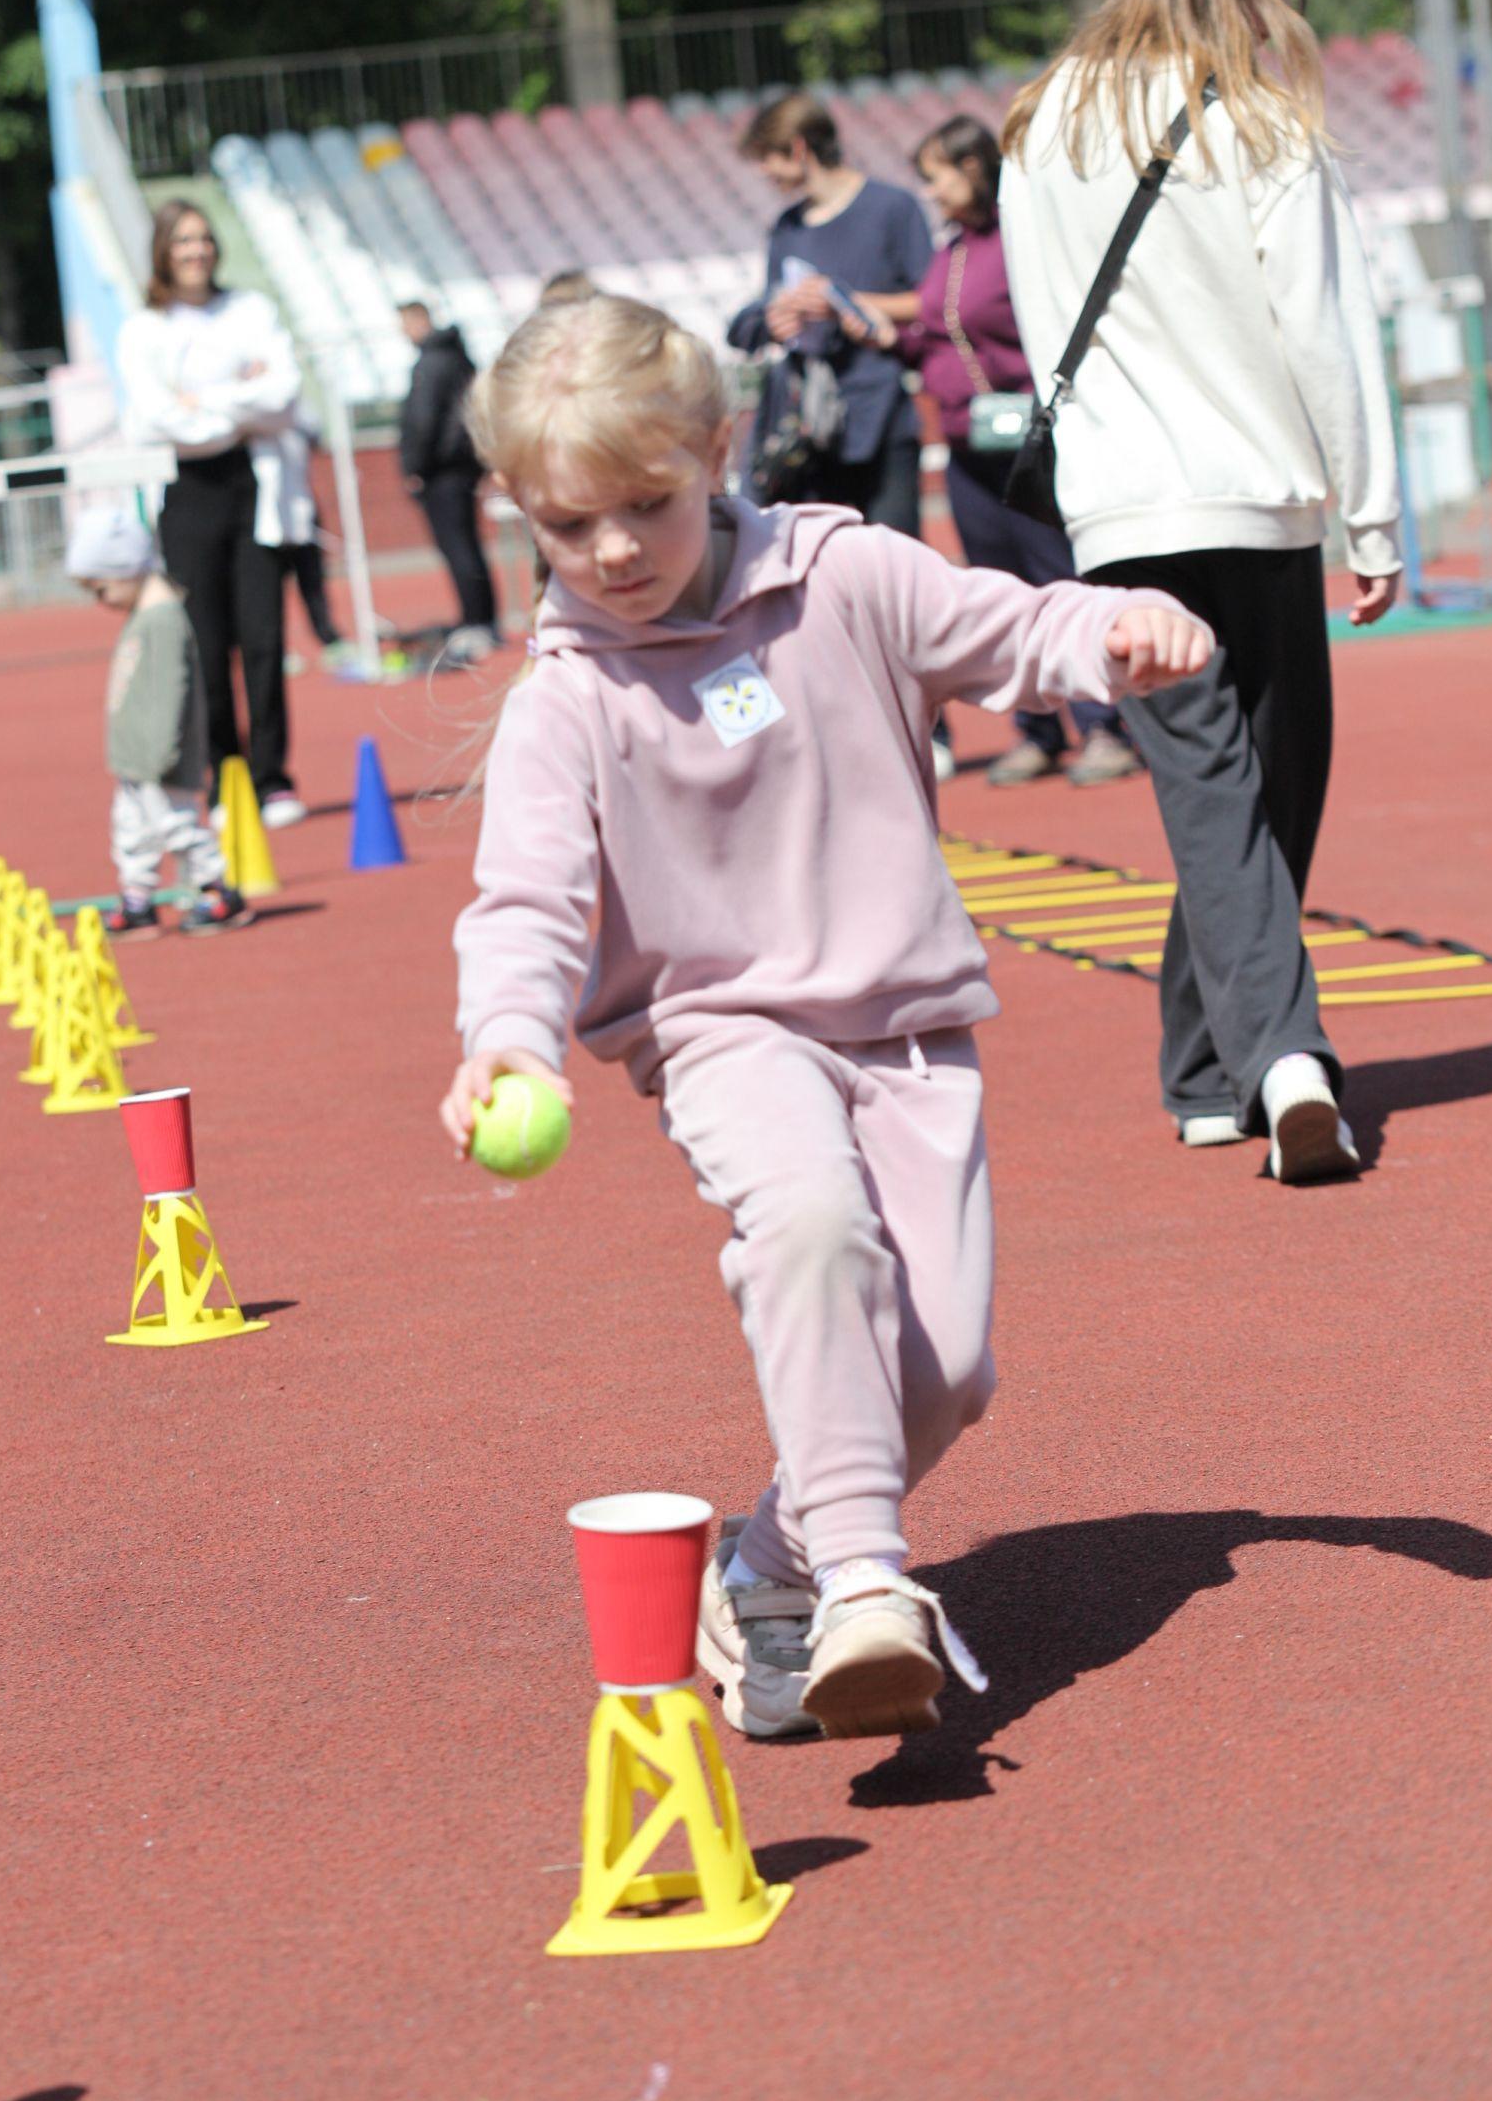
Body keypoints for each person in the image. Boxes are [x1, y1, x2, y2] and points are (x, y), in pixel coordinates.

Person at [440, 294, 1207, 1742]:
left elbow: (1012, 627)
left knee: (949, 1373)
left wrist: (1117, 625)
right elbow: (528, 902)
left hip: (907, 1026)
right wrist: (507, 1038)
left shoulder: (842, 576)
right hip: (720, 1028)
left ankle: (769, 1566)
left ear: (718, 449)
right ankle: (865, 1583)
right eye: (566, 524)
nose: (611, 552)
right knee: (808, 1232)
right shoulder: (565, 701)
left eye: (647, 506)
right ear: (519, 516)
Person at [1001, 0, 1403, 1180]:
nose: (1290, 4)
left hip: (1121, 516)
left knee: (1219, 798)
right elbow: (1328, 331)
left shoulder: (1040, 120)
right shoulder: (1260, 117)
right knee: (1264, 796)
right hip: (1255, 501)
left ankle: (1205, 1069)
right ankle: (1291, 1065)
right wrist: (1376, 518)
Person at [840, 113, 1139, 788]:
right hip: (967, 439)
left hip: (1026, 439)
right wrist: (889, 339)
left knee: (1057, 576)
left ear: (972, 168)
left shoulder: (1021, 239)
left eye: (936, 177)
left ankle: (1103, 727)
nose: (930, 193)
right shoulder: (952, 251)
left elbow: (1043, 331)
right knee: (997, 588)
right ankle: (1037, 728)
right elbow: (940, 336)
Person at [116, 201, 309, 830]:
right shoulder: (144, 328)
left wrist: (208, 401)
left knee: (263, 637)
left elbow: (283, 395)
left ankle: (273, 777)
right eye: (183, 242)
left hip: (252, 485)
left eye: (203, 239)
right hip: (187, 492)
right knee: (205, 645)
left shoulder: (249, 311)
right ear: (164, 252)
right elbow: (152, 419)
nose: (196, 251)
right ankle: (226, 778)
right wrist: (238, 402)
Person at [727, 92, 934, 529]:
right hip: (811, 429)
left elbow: (929, 302)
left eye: (768, 158)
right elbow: (772, 301)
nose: (764, 172)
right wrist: (780, 318)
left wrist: (841, 300)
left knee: (894, 561)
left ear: (798, 148)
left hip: (881, 418)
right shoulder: (788, 227)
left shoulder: (891, 208)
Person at [65, 508, 248, 935]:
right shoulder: (144, 617)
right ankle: (137, 901)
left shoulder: (163, 620)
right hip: (135, 760)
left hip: (160, 760)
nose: (100, 601)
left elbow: (171, 688)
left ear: (125, 571)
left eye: (100, 588)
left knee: (179, 828)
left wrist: (162, 749)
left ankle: (218, 890)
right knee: (131, 832)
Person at [398, 301, 499, 657]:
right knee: (469, 545)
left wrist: (414, 466)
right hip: (464, 466)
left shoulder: (431, 363)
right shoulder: (460, 358)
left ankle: (475, 623)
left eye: (405, 323)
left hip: (442, 472)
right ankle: (485, 620)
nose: (402, 332)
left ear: (419, 320)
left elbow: (424, 419)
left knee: (457, 547)